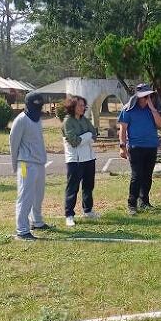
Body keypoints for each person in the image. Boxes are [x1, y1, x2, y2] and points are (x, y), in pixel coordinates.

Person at [118, 83, 161, 216]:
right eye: (145, 96)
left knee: (147, 176)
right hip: (135, 147)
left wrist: (152, 108)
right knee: (137, 176)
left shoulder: (153, 109)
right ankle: (132, 204)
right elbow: (123, 129)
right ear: (137, 97)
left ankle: (144, 202)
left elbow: (160, 124)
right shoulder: (128, 109)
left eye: (149, 96)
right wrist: (122, 147)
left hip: (151, 146)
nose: (147, 98)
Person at [9, 91, 49, 240]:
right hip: (25, 164)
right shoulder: (21, 120)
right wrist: (15, 166)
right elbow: (13, 144)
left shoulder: (38, 119)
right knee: (25, 195)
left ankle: (37, 222)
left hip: (39, 163)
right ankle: (22, 230)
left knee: (39, 195)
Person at [62, 95, 99, 227]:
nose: (83, 108)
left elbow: (94, 133)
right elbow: (74, 142)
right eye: (80, 105)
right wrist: (87, 136)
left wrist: (87, 136)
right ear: (73, 107)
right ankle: (69, 215)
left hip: (89, 158)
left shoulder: (85, 119)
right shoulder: (68, 121)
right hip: (75, 161)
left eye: (84, 105)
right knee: (73, 188)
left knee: (88, 186)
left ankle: (88, 210)